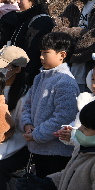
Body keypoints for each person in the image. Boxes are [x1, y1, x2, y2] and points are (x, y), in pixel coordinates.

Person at [16, 98, 95, 190]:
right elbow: (72, 173)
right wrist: (48, 183)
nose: (79, 130)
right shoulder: (87, 150)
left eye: (85, 129)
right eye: (81, 125)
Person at [19, 32, 80, 178]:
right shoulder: (40, 77)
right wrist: (27, 124)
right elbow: (27, 104)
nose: (41, 56)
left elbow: (63, 118)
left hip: (56, 152)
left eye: (46, 52)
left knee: (50, 189)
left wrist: (37, 134)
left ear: (62, 55)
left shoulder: (65, 82)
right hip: (38, 146)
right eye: (41, 52)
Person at [0, 45, 31, 190]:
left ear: (17, 69)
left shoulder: (25, 94)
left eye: (4, 66)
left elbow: (19, 130)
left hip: (16, 144)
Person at [9, 0, 55, 85]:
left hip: (29, 79)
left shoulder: (39, 22)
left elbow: (33, 56)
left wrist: (26, 82)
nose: (18, 1)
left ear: (33, 0)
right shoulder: (25, 19)